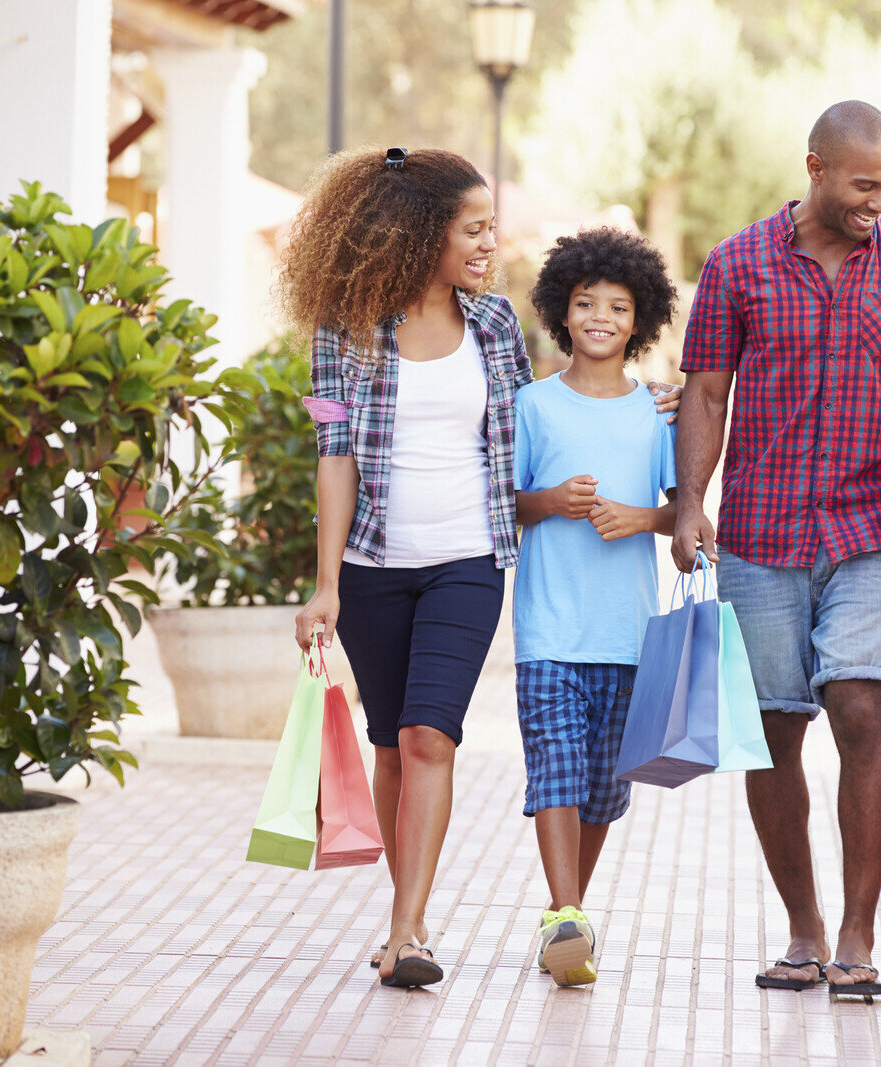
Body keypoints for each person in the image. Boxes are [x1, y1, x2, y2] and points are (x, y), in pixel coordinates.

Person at [282, 147, 678, 990]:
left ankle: (406, 928)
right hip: (372, 568)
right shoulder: (341, 331)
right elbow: (332, 453)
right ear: (422, 233)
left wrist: (650, 402)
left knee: (431, 734)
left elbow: (549, 413)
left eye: (491, 227)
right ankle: (408, 917)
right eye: (474, 228)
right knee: (390, 743)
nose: (490, 242)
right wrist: (325, 584)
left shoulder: (496, 324)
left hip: (468, 561)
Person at [673, 101, 881, 1000]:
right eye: (866, 184)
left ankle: (860, 937)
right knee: (775, 732)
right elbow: (706, 395)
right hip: (761, 533)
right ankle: (804, 927)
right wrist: (689, 504)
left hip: (869, 527)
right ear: (816, 168)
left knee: (862, 707)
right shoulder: (736, 263)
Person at [512, 227, 680, 987]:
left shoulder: (659, 414)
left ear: (639, 318)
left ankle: (568, 915)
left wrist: (638, 517)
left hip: (628, 631)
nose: (601, 316)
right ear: (561, 311)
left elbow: (688, 514)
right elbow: (504, 505)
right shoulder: (532, 405)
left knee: (604, 789)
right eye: (586, 303)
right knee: (555, 767)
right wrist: (551, 501)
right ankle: (565, 913)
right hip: (549, 626)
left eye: (618, 305)